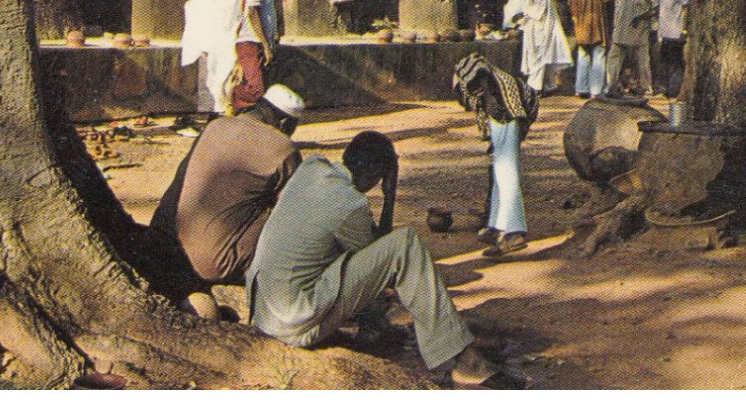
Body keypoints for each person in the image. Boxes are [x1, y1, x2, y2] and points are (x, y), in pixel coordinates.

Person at [247, 132, 497, 386]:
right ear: (377, 172)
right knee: (405, 243)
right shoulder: (350, 204)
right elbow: (386, 262)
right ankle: (465, 362)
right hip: (293, 324)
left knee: (336, 254)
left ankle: (375, 328)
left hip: (264, 314)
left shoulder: (311, 168)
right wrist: (390, 195)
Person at [149, 85, 305, 286]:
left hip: (164, 243)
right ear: (284, 122)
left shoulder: (216, 125)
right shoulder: (283, 148)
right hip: (211, 265)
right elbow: (293, 212)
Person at [452, 53, 536, 257]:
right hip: (502, 119)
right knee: (499, 172)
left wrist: (509, 140)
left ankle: (515, 233)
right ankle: (497, 226)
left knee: (508, 173)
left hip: (512, 118)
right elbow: (481, 111)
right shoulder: (480, 85)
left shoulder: (500, 88)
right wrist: (494, 142)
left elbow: (516, 115)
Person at [181, 0, 280, 115]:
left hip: (256, 42)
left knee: (256, 83)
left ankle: (239, 112)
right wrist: (265, 44)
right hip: (251, 42)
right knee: (256, 88)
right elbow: (252, 13)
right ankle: (231, 98)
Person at [504, 0, 573, 93]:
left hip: (542, 29)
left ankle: (534, 88)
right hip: (536, 28)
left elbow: (538, 11)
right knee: (540, 58)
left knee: (538, 58)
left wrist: (522, 16)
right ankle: (547, 86)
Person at [567, 0, 618, 98]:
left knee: (583, 54)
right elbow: (610, 2)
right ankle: (596, 91)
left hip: (582, 22)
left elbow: (571, 1)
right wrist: (610, 24)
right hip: (598, 21)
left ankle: (581, 89)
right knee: (599, 55)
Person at [608, 0, 657, 98]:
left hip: (640, 29)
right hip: (621, 27)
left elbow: (656, 7)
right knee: (614, 57)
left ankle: (645, 87)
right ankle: (611, 86)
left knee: (642, 59)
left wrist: (641, 18)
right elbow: (617, 6)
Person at [653, 0, 689, 98]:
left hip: (676, 31)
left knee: (675, 63)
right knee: (666, 61)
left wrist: (684, 30)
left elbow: (686, 7)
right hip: (665, 33)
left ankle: (674, 92)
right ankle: (667, 90)